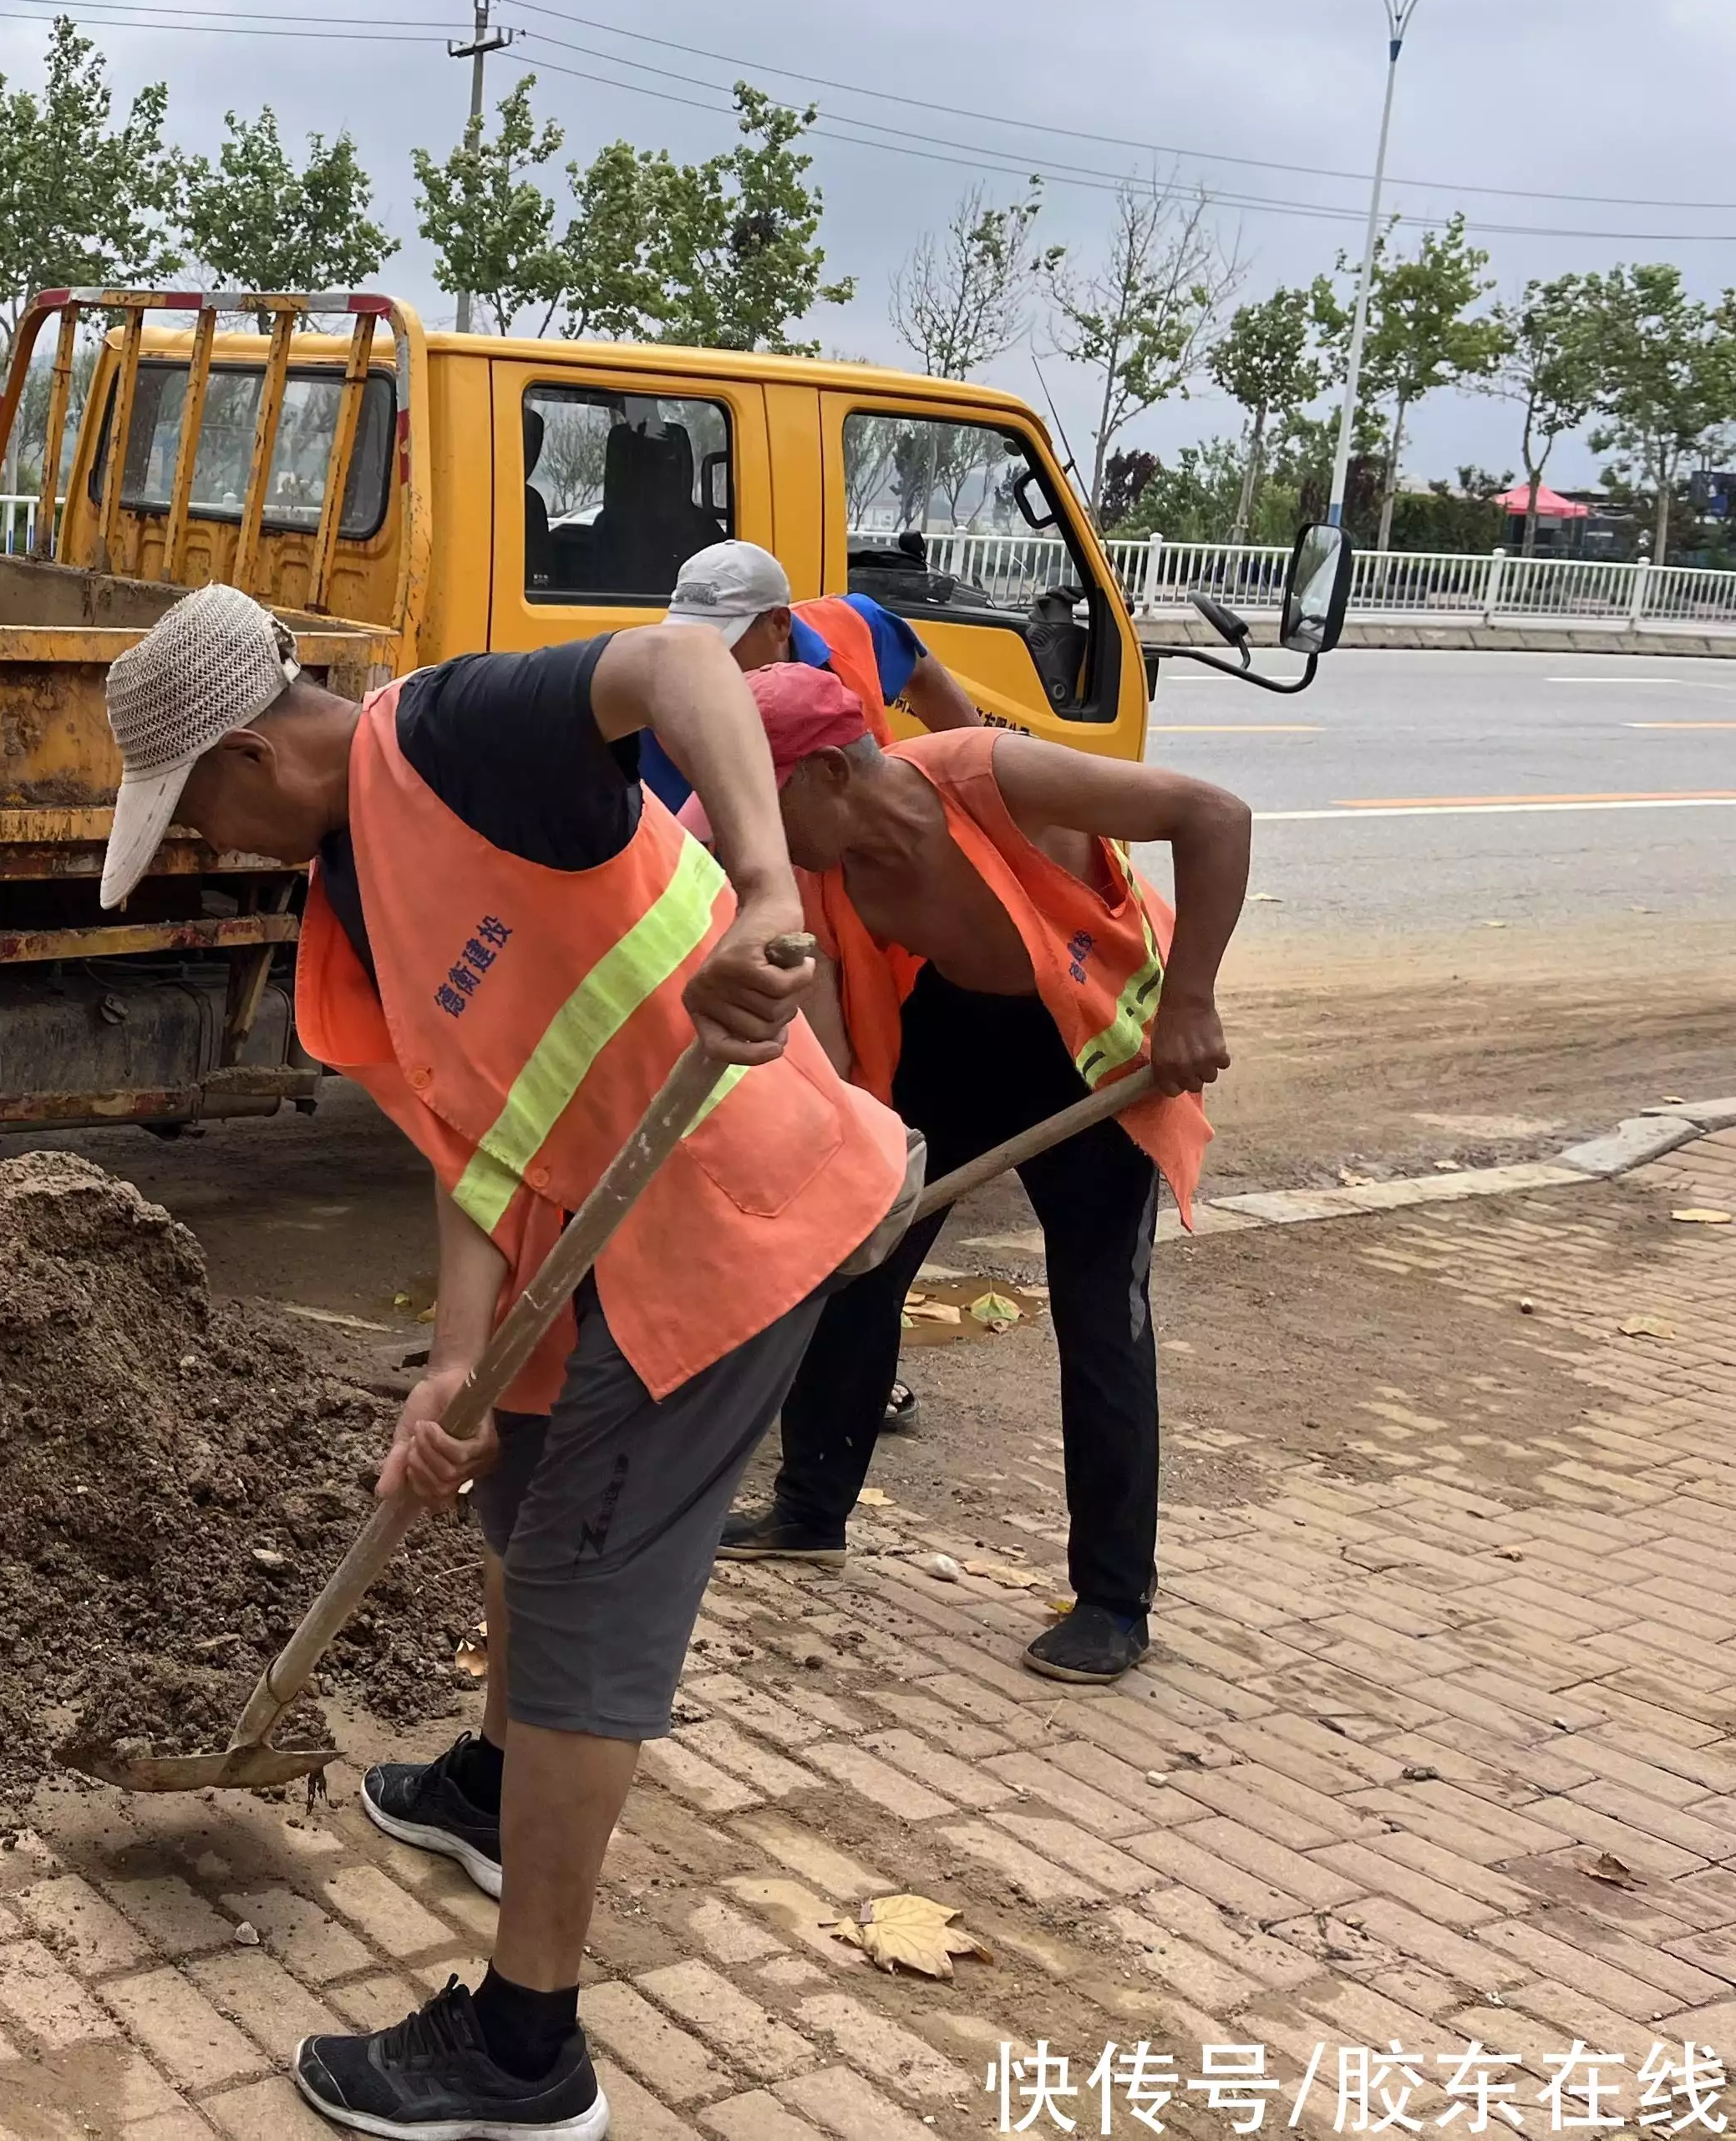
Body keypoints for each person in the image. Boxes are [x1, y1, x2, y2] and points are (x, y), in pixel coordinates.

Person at [99, 585, 909, 2141]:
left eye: (196, 812)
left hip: (728, 1206)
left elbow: (684, 660)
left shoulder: (454, 739)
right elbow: (480, 1134)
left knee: (582, 1583)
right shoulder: (358, 881)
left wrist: (759, 886)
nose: (210, 843)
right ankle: (489, 1777)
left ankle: (526, 2046)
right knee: (509, 1481)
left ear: (253, 756)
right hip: (588, 1229)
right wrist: (451, 1368)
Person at [713, 663, 1251, 1685]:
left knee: (1097, 1303)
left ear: (828, 773)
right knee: (864, 1248)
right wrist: (855, 1150)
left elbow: (1213, 815)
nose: (750, 832)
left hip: (1085, 1038)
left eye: (760, 798)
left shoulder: (984, 775)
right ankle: (812, 1506)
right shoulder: (819, 872)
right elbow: (832, 1042)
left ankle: (1110, 1601)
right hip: (957, 1033)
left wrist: (1191, 1004)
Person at [637, 539, 977, 815]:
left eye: (721, 645)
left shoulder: (855, 625)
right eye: (689, 642)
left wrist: (979, 786)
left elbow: (926, 676)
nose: (701, 663)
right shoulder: (665, 702)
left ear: (779, 624)